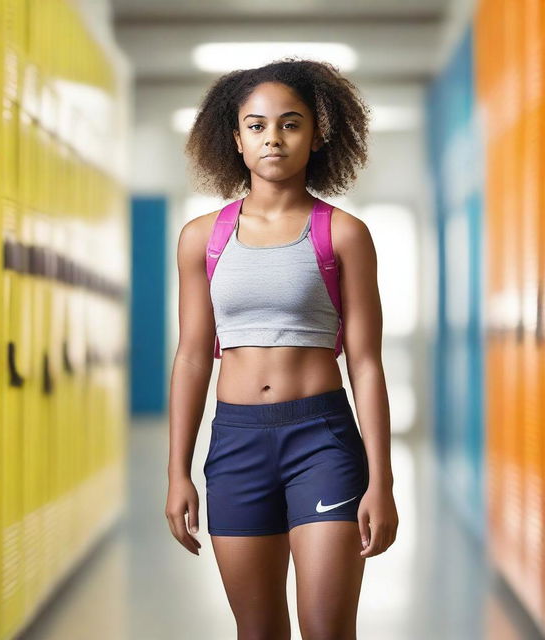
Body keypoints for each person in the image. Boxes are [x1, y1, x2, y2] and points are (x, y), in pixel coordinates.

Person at [166, 57, 398, 639]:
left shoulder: (342, 233)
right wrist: (178, 472)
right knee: (259, 630)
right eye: (257, 125)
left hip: (322, 441)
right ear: (236, 140)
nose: (274, 137)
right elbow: (193, 358)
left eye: (291, 123)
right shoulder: (201, 239)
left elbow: (366, 364)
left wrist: (382, 481)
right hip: (236, 444)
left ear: (317, 136)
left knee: (326, 629)